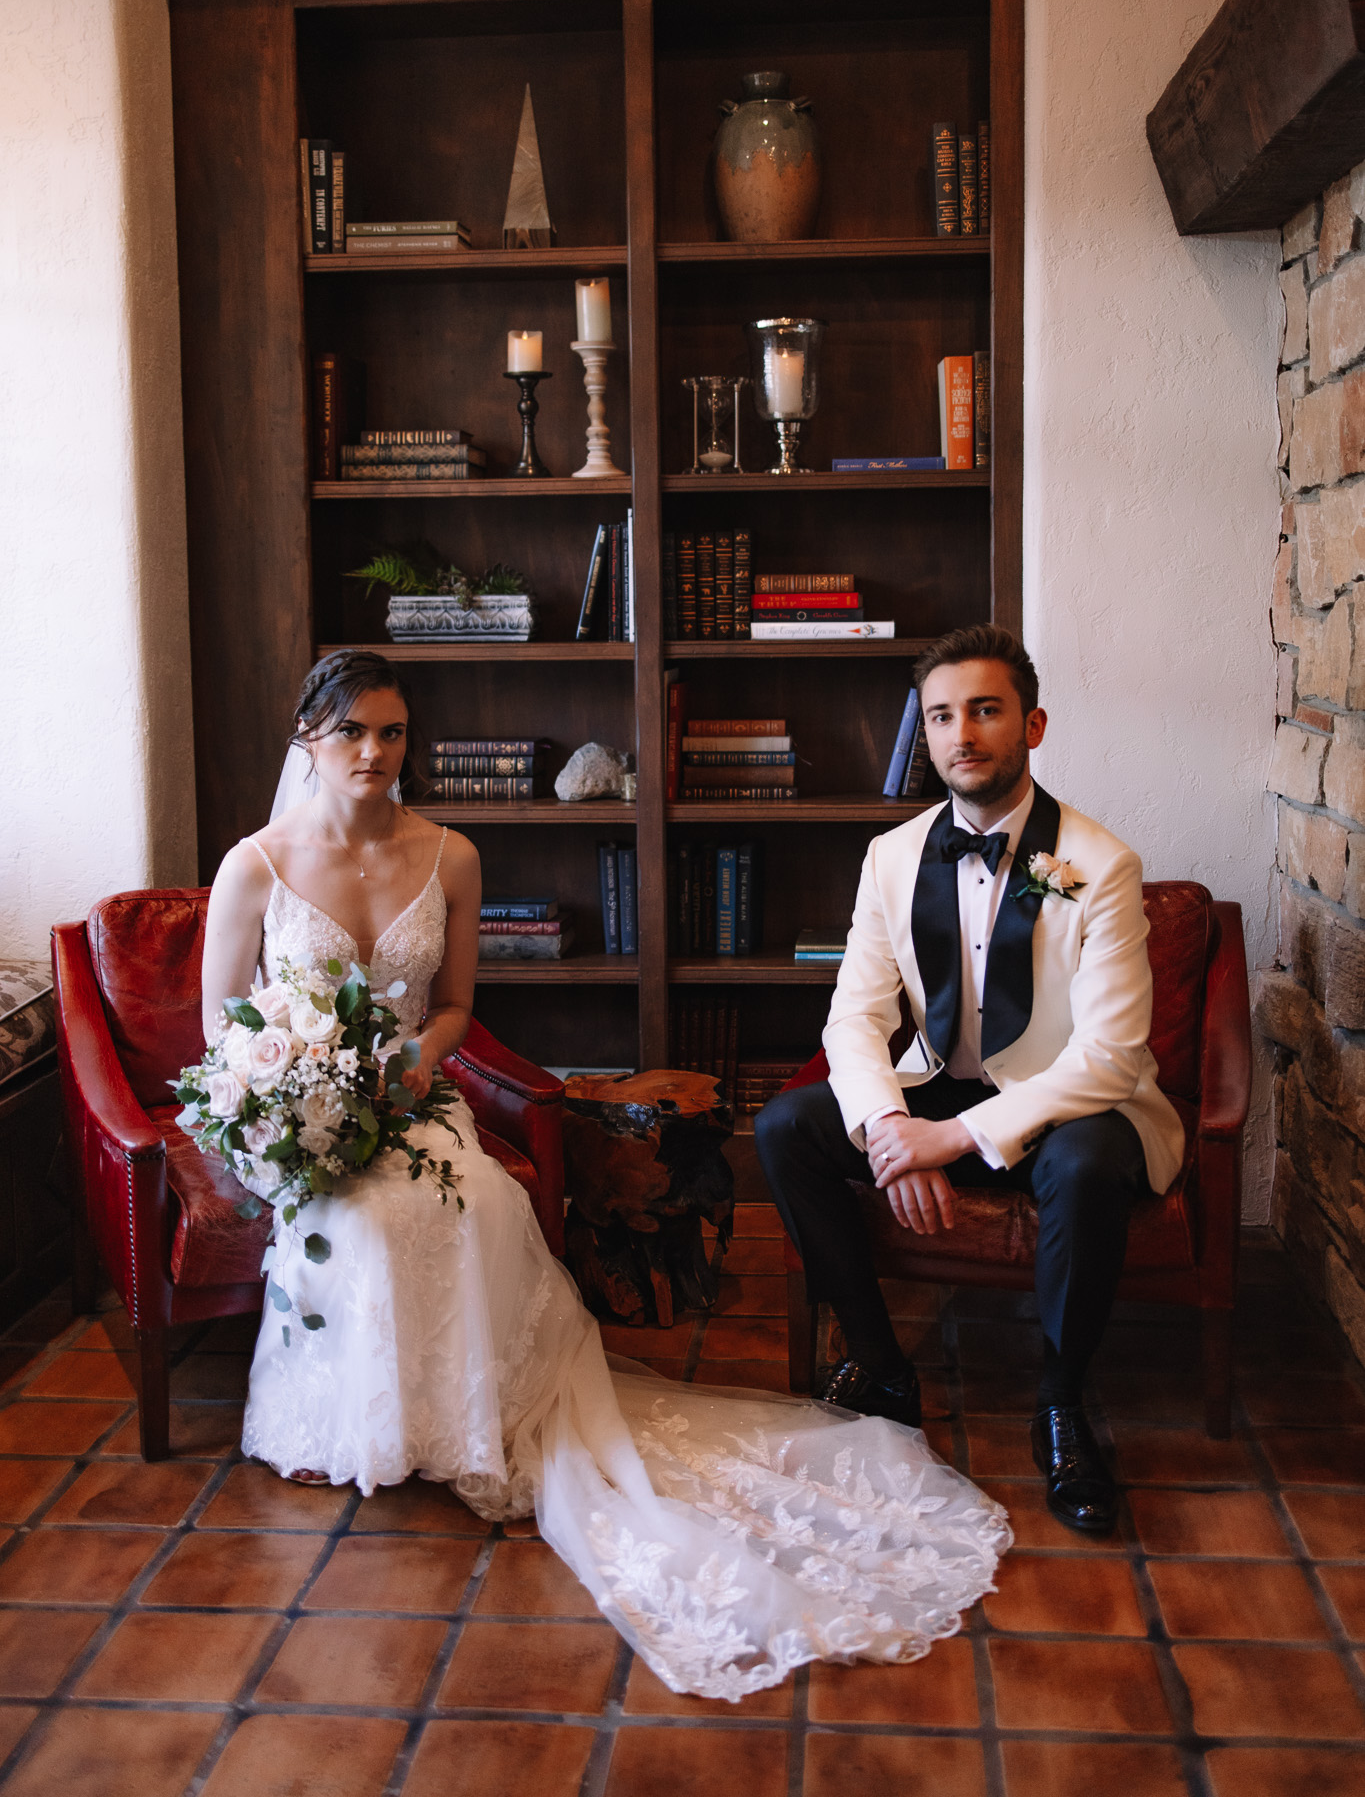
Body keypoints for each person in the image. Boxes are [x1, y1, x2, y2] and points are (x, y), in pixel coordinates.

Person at [200, 647, 1010, 1702]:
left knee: (472, 1199)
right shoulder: (252, 864)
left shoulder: (448, 853)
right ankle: (371, 1424)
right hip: (308, 1116)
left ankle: (470, 1413)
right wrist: (295, 1088)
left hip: (415, 1099)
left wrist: (414, 1063)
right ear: (308, 734)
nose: (374, 752)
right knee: (357, 1218)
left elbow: (451, 1008)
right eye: (353, 730)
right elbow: (226, 1024)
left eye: (393, 732)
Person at [756, 624, 1185, 1538]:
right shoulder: (892, 855)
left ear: (1030, 725)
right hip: (941, 1086)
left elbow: (1109, 1054)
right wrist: (884, 1131)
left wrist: (945, 1141)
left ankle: (1063, 1406)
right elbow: (853, 1019)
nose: (962, 734)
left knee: (1080, 1165)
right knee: (786, 1127)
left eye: (985, 711)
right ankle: (879, 1367)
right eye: (942, 715)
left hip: (1069, 1106)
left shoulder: (1099, 866)